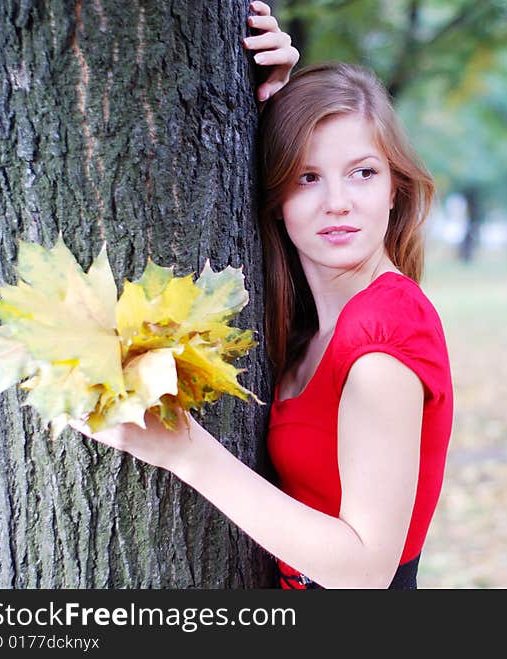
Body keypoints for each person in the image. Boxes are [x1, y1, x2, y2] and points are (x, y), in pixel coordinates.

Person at [70, 1, 453, 590]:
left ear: (397, 190)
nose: (337, 202)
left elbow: (366, 573)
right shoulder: (308, 318)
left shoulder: (384, 338)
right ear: (276, 193)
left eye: (363, 172)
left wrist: (187, 453)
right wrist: (263, 98)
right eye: (307, 176)